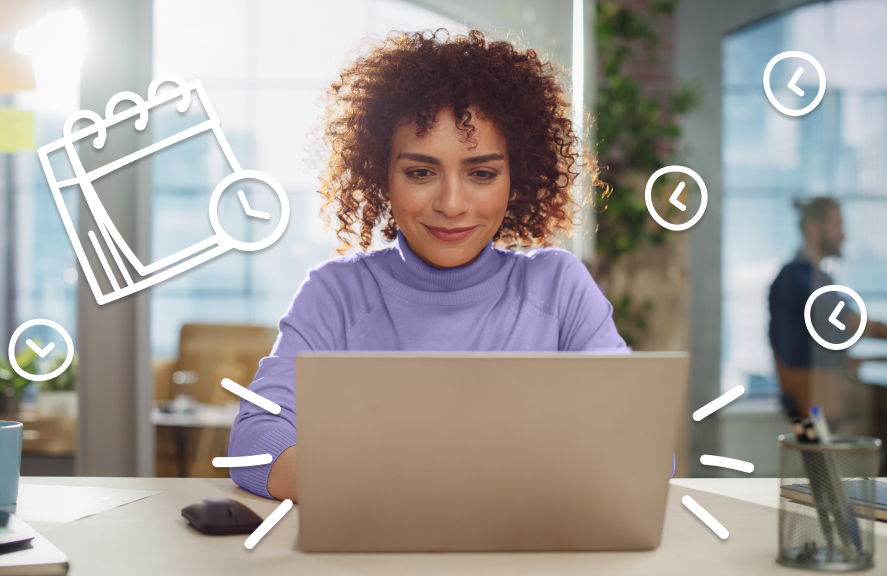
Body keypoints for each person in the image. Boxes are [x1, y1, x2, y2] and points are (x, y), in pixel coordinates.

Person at [228, 29, 627, 501]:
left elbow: (638, 448)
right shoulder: (336, 294)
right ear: (382, 175)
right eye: (421, 173)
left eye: (482, 173)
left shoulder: (559, 287)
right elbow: (253, 446)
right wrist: (419, 492)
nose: (452, 204)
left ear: (517, 178)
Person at [768, 197, 887, 473]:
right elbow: (850, 322)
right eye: (837, 225)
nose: (843, 235)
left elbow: (838, 331)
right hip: (819, 392)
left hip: (829, 383)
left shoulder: (816, 277)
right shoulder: (798, 277)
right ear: (814, 228)